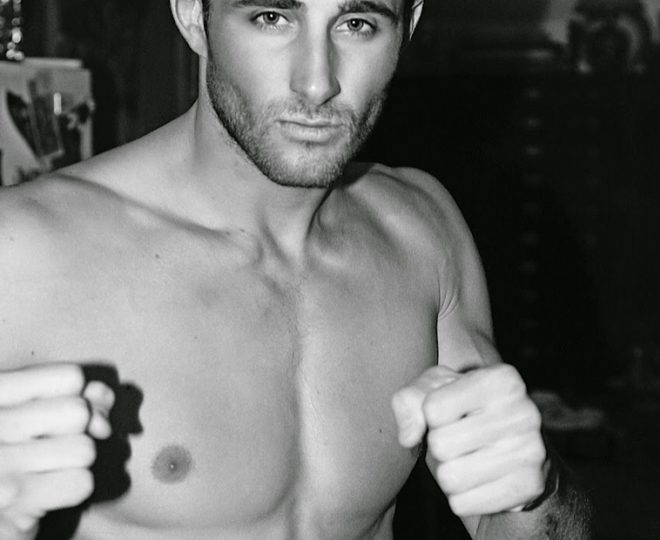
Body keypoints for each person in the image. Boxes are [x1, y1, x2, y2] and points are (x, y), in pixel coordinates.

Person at [0, 0, 591, 538]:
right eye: (271, 17)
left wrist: (535, 491)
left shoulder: (421, 228)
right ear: (192, 16)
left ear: (407, 28)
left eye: (357, 24)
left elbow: (511, 524)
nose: (317, 82)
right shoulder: (26, 248)